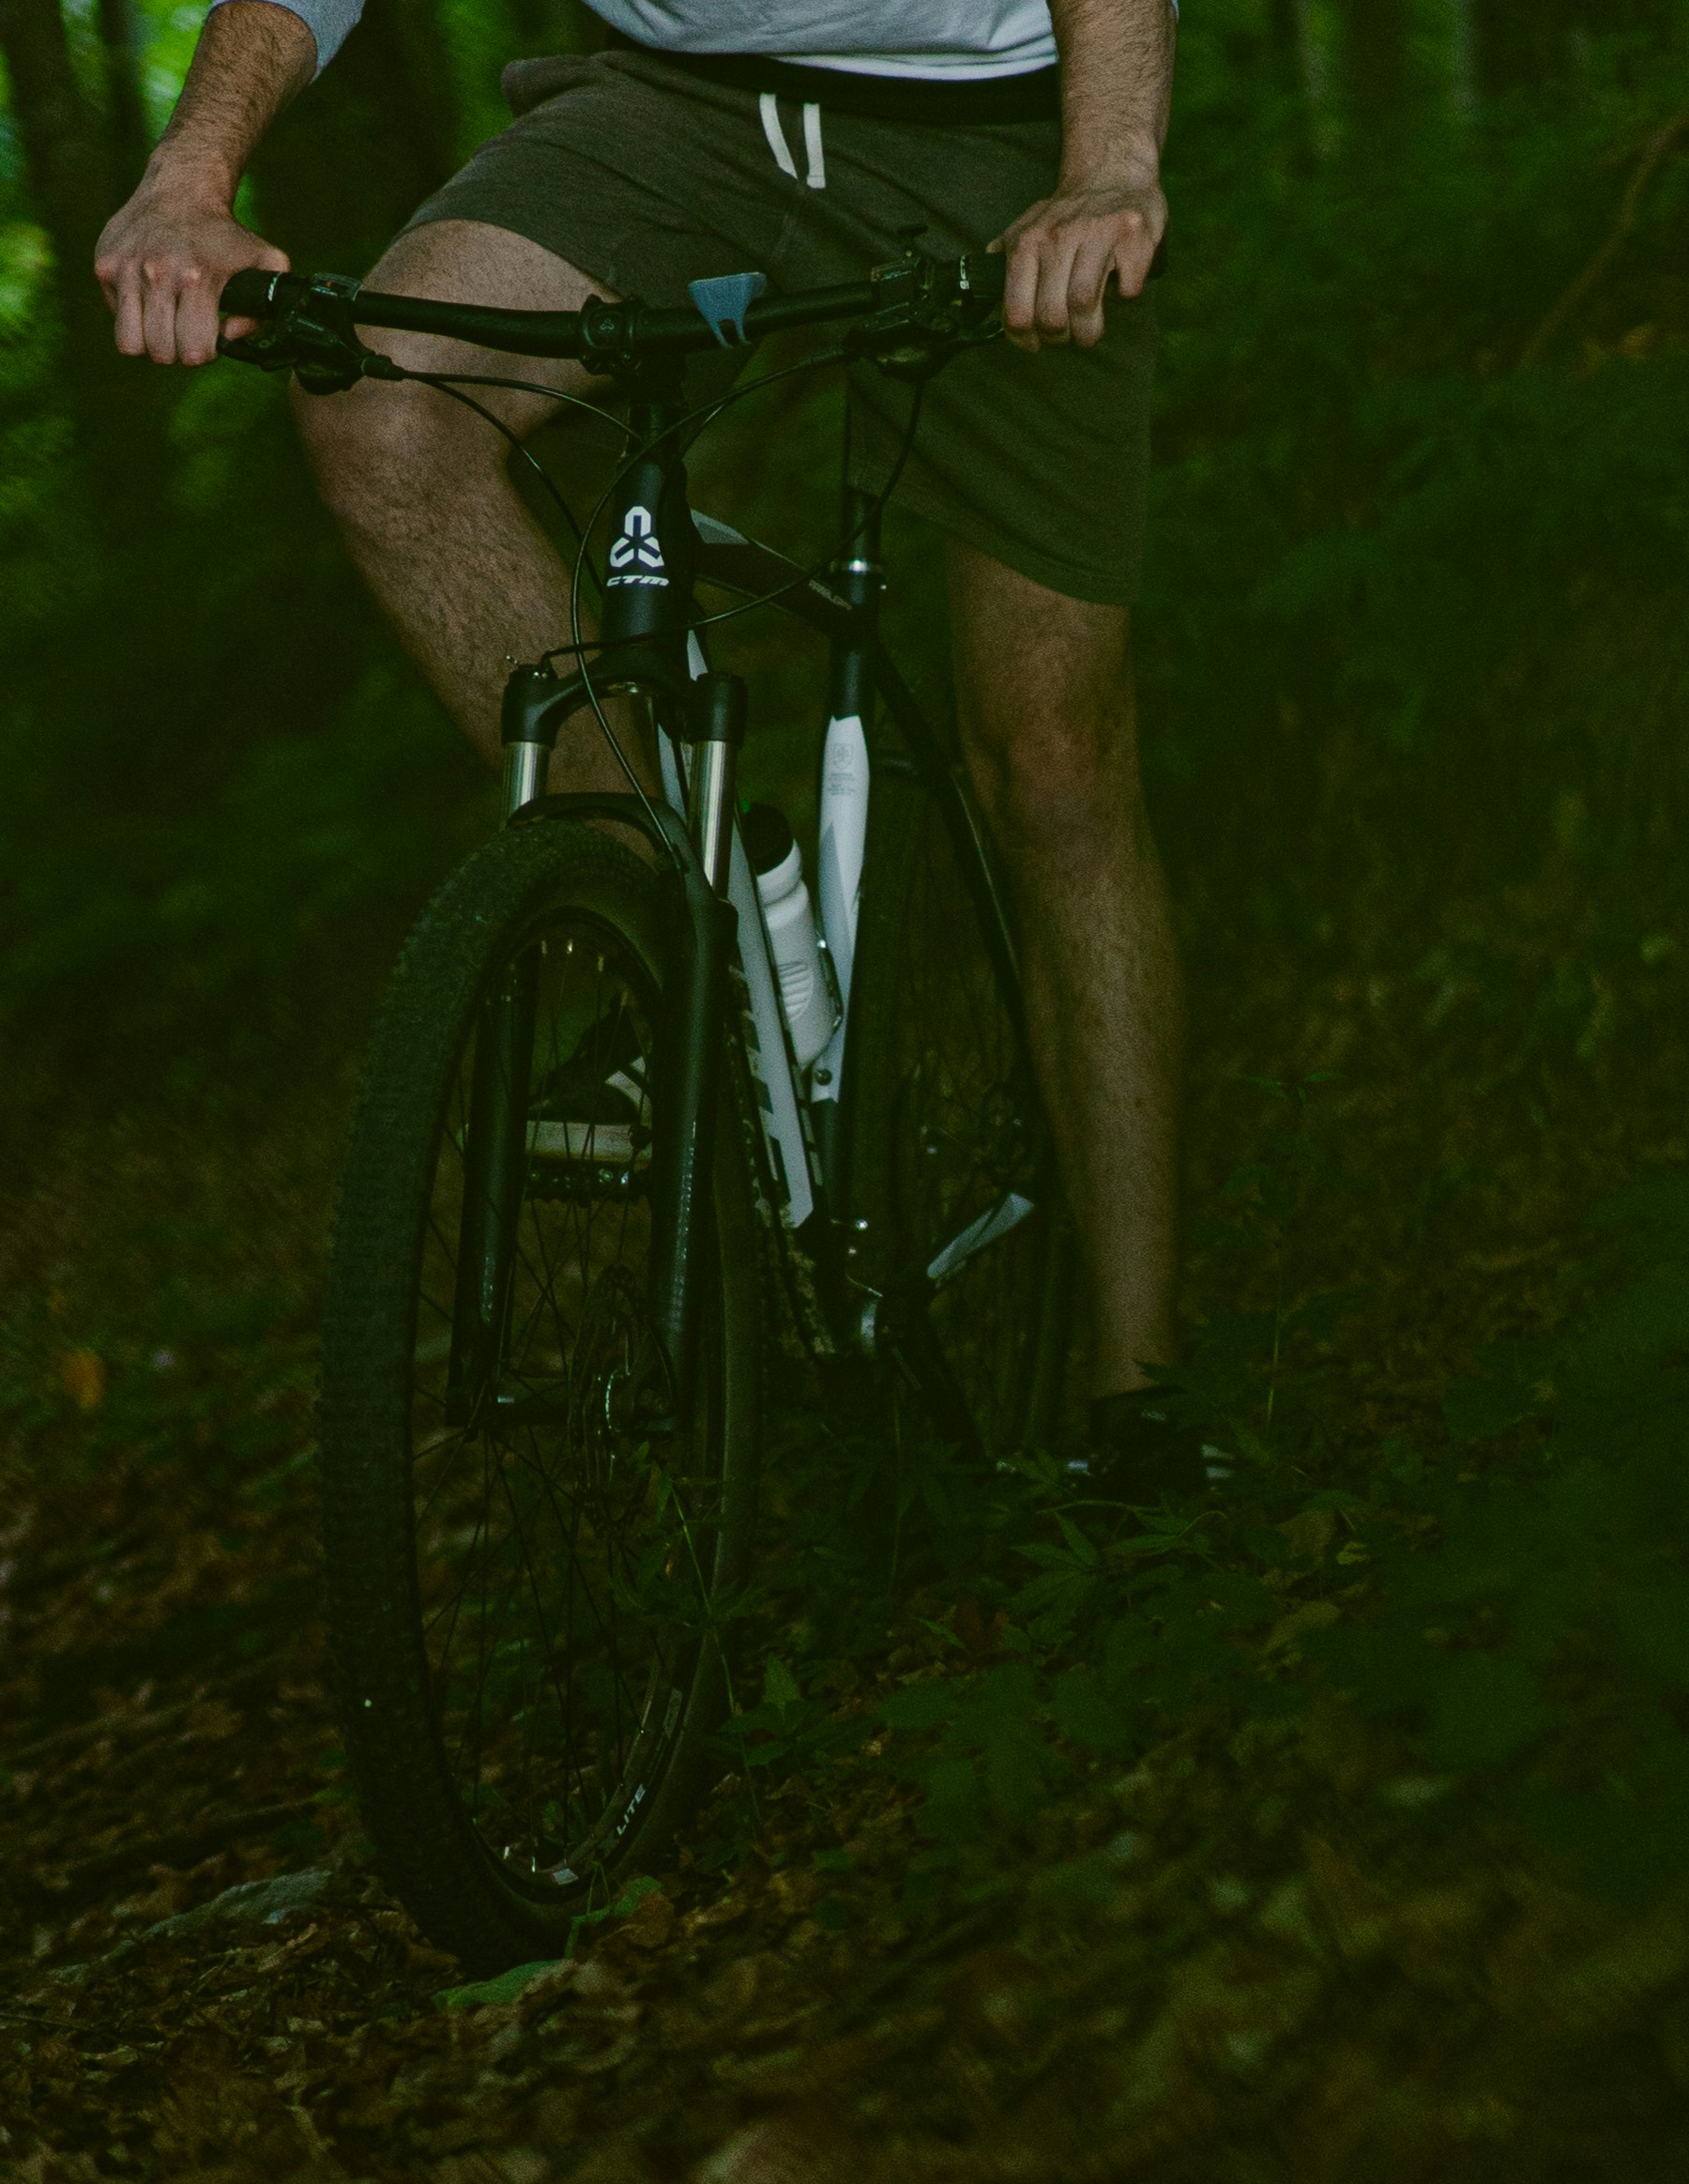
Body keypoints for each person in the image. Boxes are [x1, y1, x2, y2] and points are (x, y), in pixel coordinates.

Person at [95, 0, 1194, 1495]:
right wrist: (188, 178)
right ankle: (662, 909)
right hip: (673, 111)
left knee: (1055, 756)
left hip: (995, 122)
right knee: (383, 418)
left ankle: (1141, 1394)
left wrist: (1110, 160)